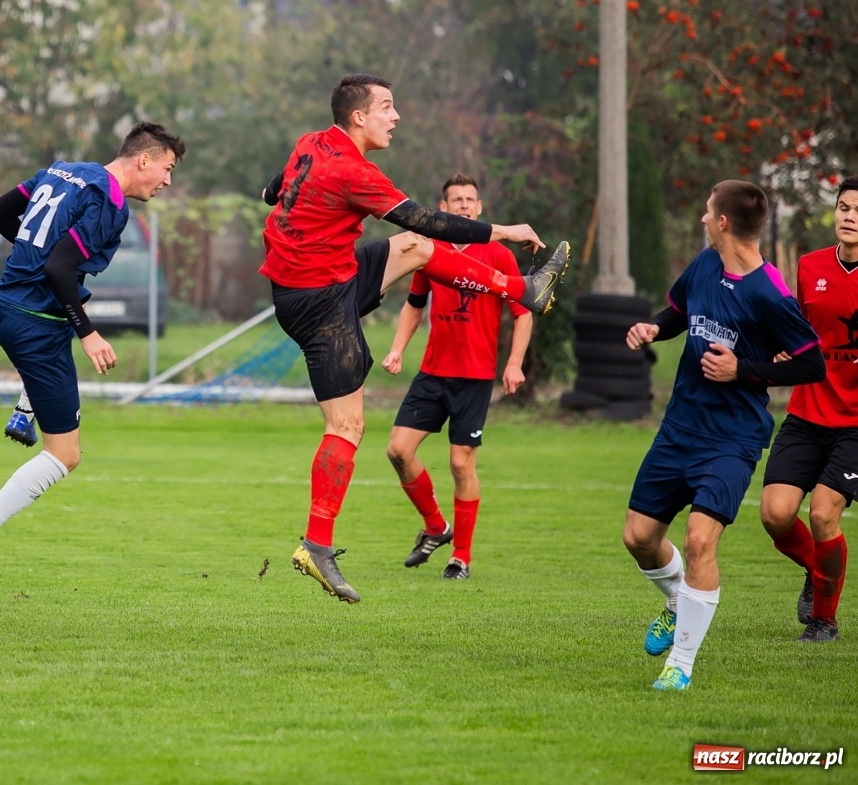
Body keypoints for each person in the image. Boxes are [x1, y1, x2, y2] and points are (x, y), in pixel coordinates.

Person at [258, 74, 567, 605]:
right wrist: (504, 231)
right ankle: (316, 545)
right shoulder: (354, 172)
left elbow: (271, 192)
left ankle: (525, 289)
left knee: (414, 248)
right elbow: (429, 216)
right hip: (319, 303)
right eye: (386, 106)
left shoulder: (310, 144)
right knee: (348, 425)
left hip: (321, 280)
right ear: (359, 117)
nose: (395, 116)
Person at [0, 122, 183, 595]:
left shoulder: (63, 170)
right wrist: (89, 332)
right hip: (36, 322)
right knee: (65, 455)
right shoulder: (110, 205)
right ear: (144, 160)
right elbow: (59, 267)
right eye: (168, 168)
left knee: (62, 329)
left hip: (4, 307)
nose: (168, 181)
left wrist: (37, 257)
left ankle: (25, 411)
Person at [623, 180, 824, 690]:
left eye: (708, 212)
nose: (702, 220)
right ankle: (676, 601)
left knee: (697, 541)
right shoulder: (705, 264)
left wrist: (745, 372)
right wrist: (652, 328)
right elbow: (678, 313)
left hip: (732, 438)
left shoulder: (770, 293)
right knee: (639, 538)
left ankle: (680, 666)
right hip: (680, 427)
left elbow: (812, 364)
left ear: (725, 222)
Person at [381, 173, 533, 580]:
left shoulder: (498, 254)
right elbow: (414, 305)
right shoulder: (430, 251)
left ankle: (460, 557)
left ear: (480, 208)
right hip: (432, 373)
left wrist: (514, 362)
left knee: (460, 464)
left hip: (475, 377)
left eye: (471, 200)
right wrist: (397, 349)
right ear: (443, 208)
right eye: (456, 200)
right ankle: (436, 527)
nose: (464, 205)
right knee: (397, 450)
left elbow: (523, 311)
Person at [759, 176, 858, 643]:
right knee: (775, 515)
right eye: (843, 207)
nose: (849, 216)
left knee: (823, 515)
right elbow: (796, 326)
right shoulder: (810, 265)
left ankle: (824, 622)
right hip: (806, 414)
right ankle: (819, 569)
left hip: (855, 426)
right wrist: (782, 350)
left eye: (857, 209)